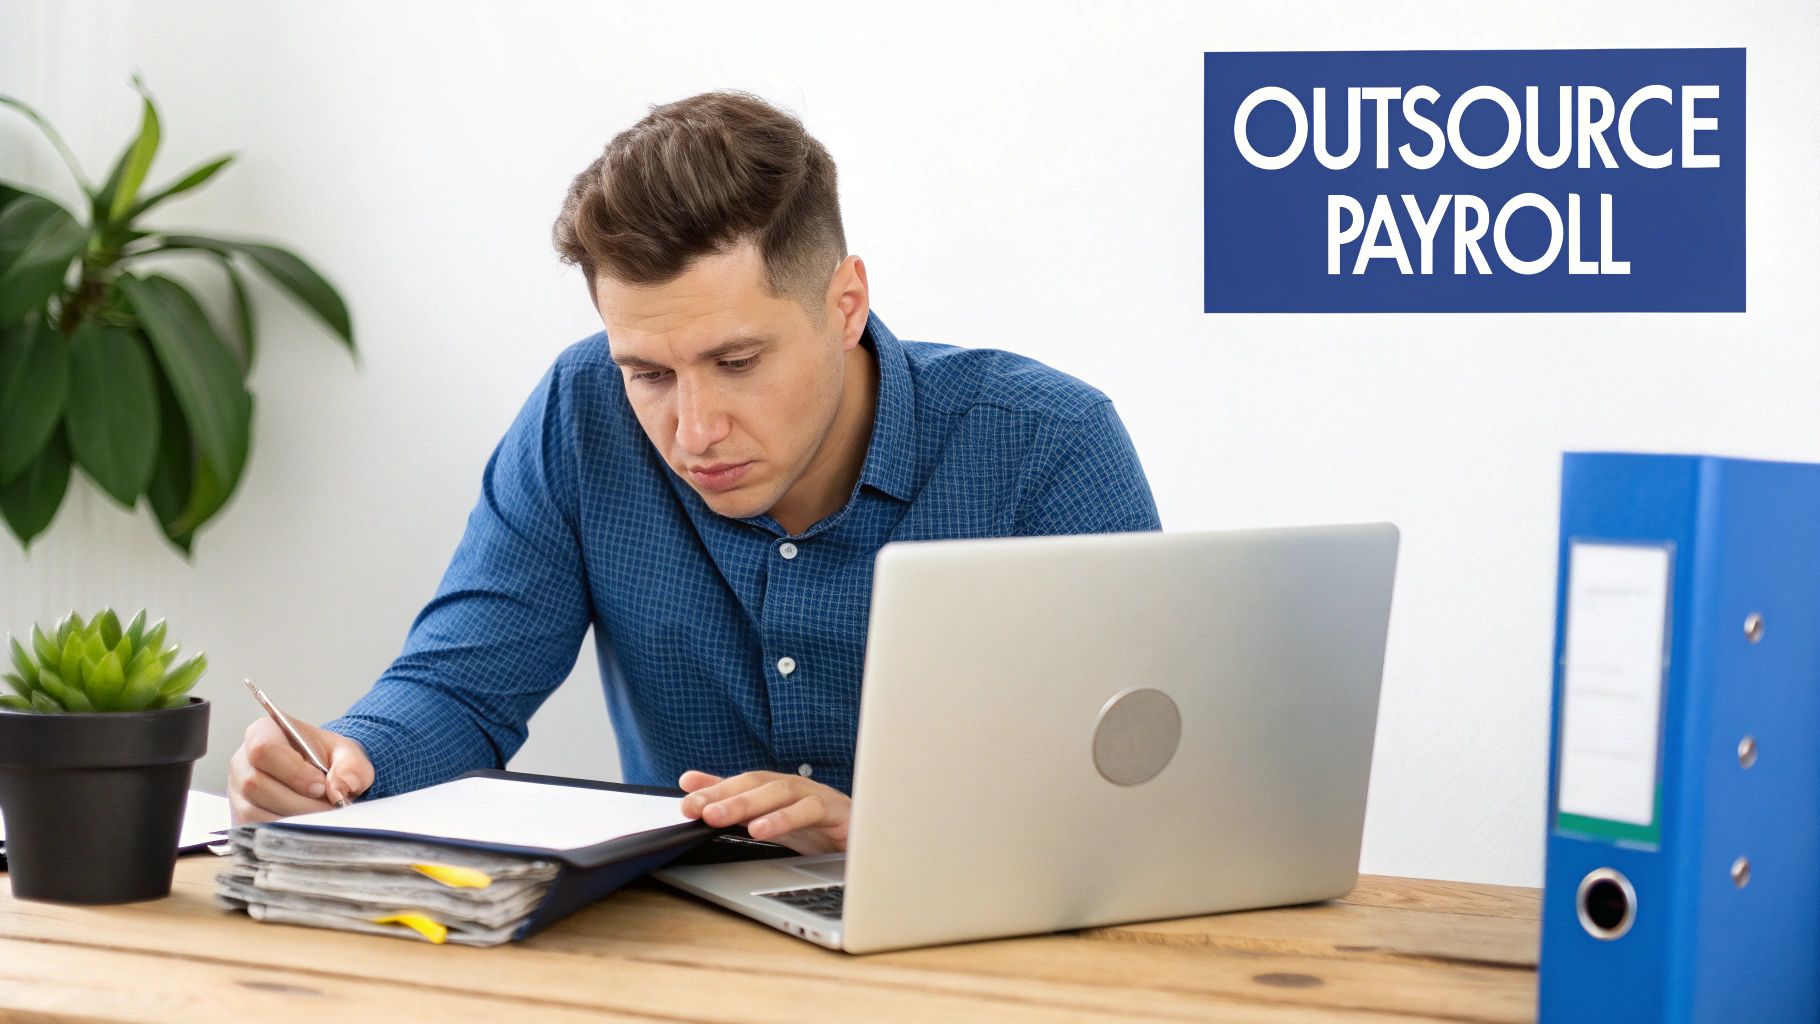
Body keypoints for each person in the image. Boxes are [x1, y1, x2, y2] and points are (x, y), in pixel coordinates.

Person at [227, 90, 1160, 853]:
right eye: (649, 373)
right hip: (679, 954)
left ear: (846, 303)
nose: (694, 429)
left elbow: (1143, 782)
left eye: (738, 362)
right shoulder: (580, 411)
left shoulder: (1046, 445)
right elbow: (460, 691)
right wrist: (348, 759)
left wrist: (892, 836)